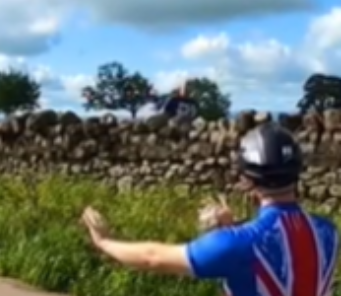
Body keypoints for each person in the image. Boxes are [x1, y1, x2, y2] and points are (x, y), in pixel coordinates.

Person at [81, 123, 339, 296]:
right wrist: (234, 226)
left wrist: (104, 242)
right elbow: (284, 248)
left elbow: (153, 257)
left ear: (247, 180)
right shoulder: (328, 232)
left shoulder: (235, 244)